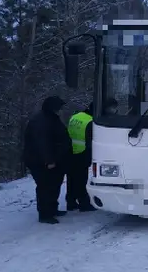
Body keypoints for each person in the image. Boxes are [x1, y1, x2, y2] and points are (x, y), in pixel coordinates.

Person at [23, 95, 73, 224]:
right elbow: (42, 143)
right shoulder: (41, 121)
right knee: (45, 187)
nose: (61, 110)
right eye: (59, 108)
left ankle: (52, 209)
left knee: (54, 185)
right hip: (41, 162)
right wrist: (49, 160)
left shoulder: (51, 118)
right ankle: (45, 214)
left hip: (54, 159)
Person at [65, 102, 96, 212]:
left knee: (71, 178)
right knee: (81, 179)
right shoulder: (91, 121)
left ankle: (70, 201)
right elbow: (91, 141)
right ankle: (84, 204)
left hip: (70, 151)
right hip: (82, 153)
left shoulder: (75, 117)